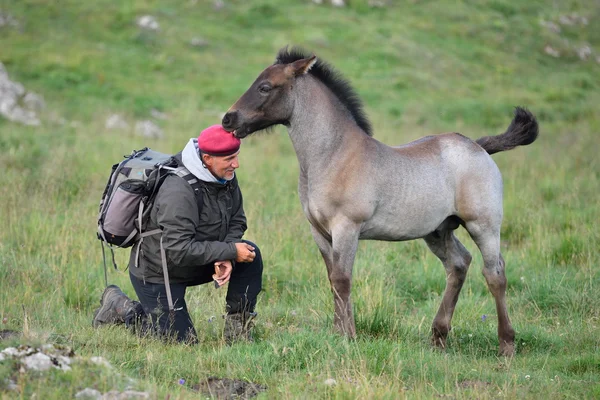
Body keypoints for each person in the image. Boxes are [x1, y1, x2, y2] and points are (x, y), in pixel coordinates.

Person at [92, 125, 263, 344]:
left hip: (196, 260)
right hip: (159, 271)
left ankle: (238, 334)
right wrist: (229, 249)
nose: (236, 164)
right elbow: (178, 250)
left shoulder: (225, 175)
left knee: (249, 254)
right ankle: (120, 307)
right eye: (229, 159)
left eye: (236, 156)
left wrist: (227, 254)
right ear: (208, 158)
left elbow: (237, 219)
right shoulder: (178, 190)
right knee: (183, 343)